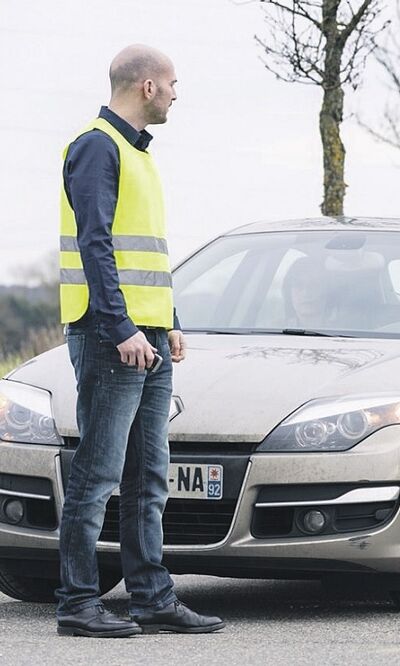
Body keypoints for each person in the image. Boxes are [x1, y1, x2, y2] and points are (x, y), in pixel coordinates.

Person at [56, 45, 224, 637]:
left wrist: (169, 318)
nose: (178, 94)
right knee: (97, 476)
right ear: (147, 86)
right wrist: (122, 327)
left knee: (149, 475)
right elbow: (95, 244)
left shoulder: (138, 155)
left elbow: (146, 252)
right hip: (113, 339)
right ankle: (78, 604)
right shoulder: (97, 147)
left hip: (148, 337)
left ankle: (153, 599)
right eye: (174, 83)